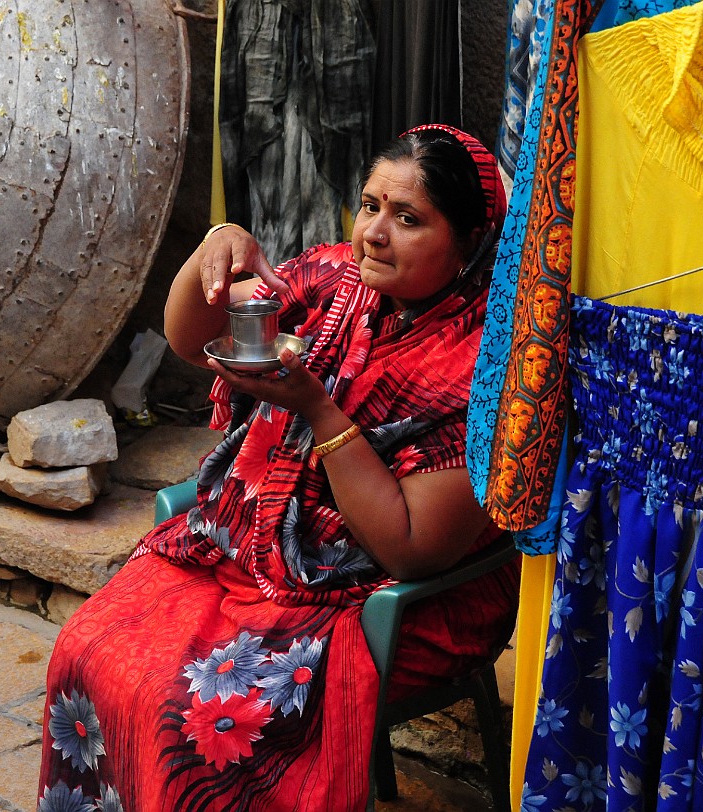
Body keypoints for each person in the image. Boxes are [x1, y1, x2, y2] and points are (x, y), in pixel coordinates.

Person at [37, 124, 520, 812]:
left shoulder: (488, 371)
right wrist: (215, 249)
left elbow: (411, 550)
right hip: (250, 545)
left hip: (382, 600)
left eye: (408, 218)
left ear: (472, 240)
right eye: (371, 205)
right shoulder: (336, 278)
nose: (375, 232)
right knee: (87, 649)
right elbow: (193, 337)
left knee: (195, 716)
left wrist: (320, 413)